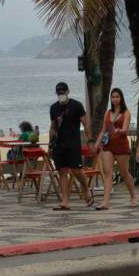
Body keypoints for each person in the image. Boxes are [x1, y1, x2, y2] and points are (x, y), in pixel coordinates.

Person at [93, 87, 137, 210]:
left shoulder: (126, 113)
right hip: (108, 146)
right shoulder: (107, 113)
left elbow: (125, 129)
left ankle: (133, 196)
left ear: (121, 98)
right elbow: (103, 130)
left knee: (124, 173)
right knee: (108, 173)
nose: (115, 99)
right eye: (113, 97)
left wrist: (119, 130)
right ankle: (105, 202)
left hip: (121, 146)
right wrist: (97, 143)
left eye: (117, 97)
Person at [49, 82, 90, 211]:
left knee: (77, 170)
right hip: (59, 144)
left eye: (63, 92)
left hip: (73, 143)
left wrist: (90, 139)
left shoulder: (76, 105)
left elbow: (86, 123)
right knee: (62, 171)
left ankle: (86, 188)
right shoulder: (54, 108)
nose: (61, 95)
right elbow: (53, 127)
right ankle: (65, 200)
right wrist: (50, 144)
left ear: (67, 92)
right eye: (59, 93)